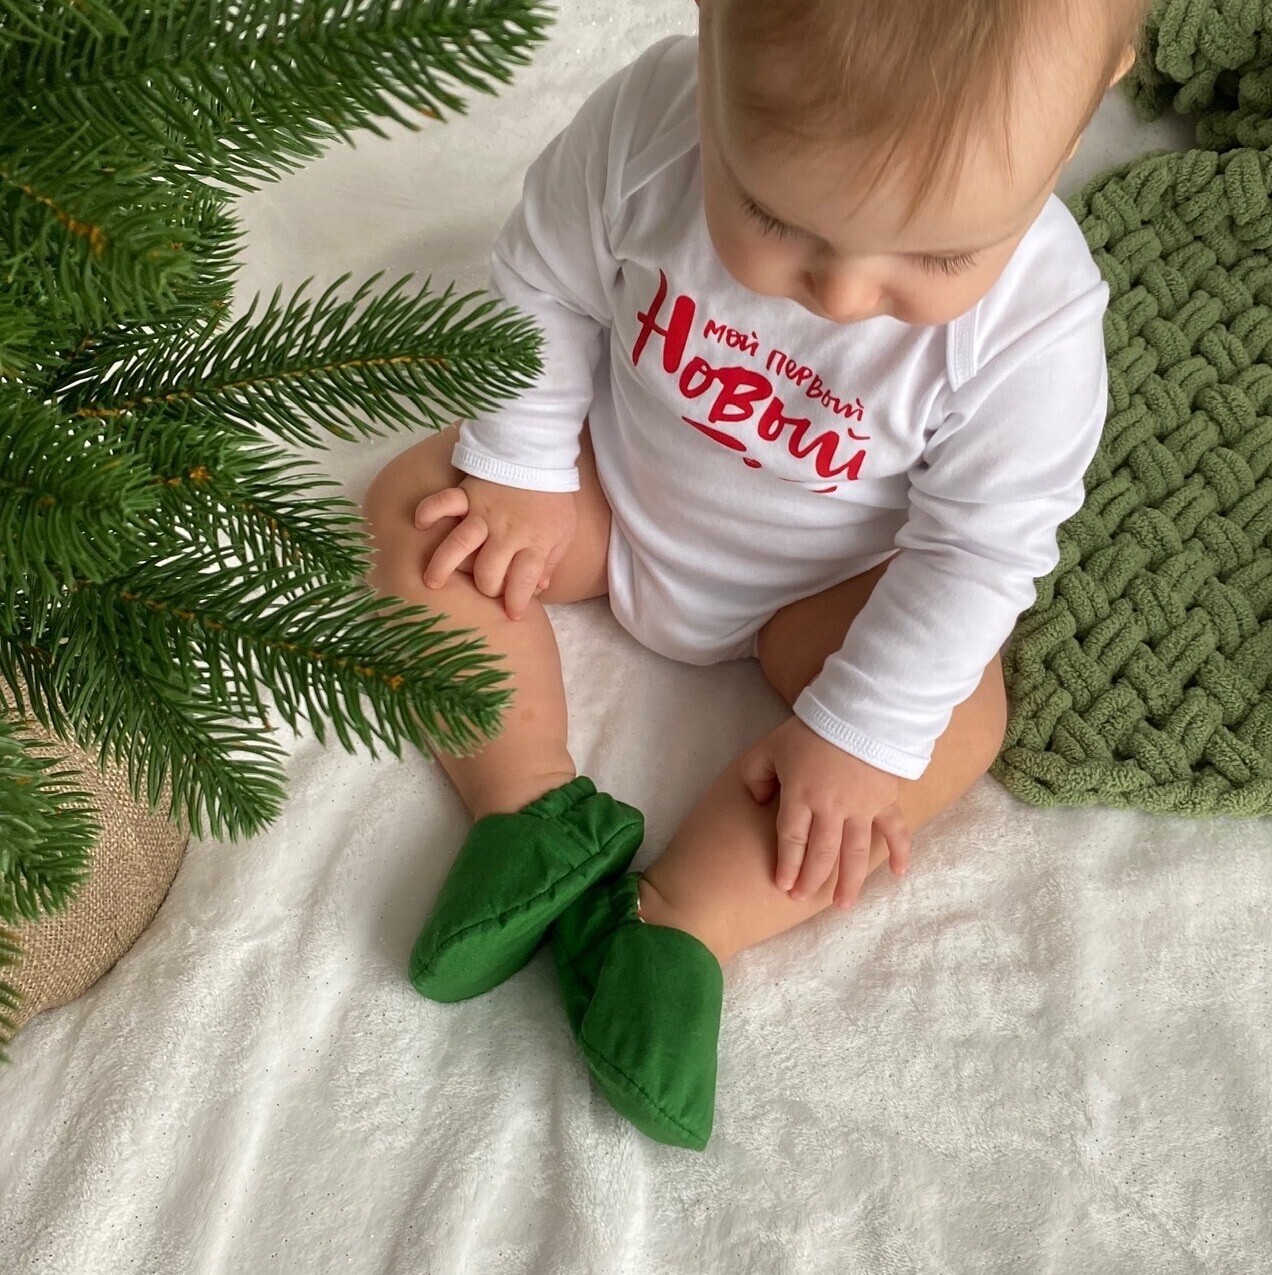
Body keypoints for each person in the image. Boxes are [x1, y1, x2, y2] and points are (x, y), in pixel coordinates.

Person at [363, 0, 1147, 1151]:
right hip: (608, 494)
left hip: (824, 596)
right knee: (421, 501)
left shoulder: (1037, 323)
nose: (842, 294)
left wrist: (862, 736)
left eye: (940, 257)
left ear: (1083, 117)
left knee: (955, 723)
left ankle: (683, 922)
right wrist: (522, 466)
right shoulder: (651, 121)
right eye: (776, 218)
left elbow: (977, 550)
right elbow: (546, 281)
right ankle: (527, 809)